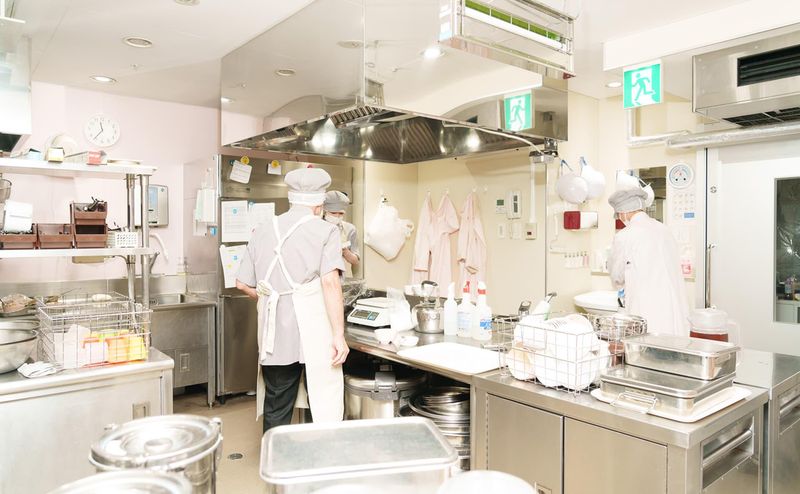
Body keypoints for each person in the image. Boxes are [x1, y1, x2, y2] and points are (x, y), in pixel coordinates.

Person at [236, 167, 349, 432]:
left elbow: (242, 283)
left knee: (277, 403)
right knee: (323, 399)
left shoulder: (263, 229)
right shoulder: (326, 231)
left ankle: (275, 454)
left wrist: (270, 296)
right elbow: (330, 283)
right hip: (314, 332)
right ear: (319, 205)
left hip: (275, 334)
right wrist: (338, 335)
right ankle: (320, 452)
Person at [608, 188, 689, 336]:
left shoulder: (625, 236)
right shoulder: (664, 229)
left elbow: (617, 277)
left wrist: (620, 284)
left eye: (618, 215)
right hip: (674, 308)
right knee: (673, 344)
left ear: (622, 212)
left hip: (647, 310)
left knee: (648, 345)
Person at [323, 190, 360, 278]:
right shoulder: (316, 227)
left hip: (344, 277)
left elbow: (355, 261)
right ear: (325, 211)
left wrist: (344, 251)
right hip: (322, 277)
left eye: (341, 213)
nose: (337, 216)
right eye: (333, 213)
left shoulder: (350, 229)